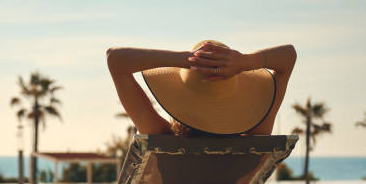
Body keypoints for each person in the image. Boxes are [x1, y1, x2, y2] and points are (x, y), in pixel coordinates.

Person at [106, 41, 296, 136]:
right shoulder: (255, 138)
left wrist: (188, 60)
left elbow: (115, 59)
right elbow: (289, 55)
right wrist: (245, 62)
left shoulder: (161, 137)